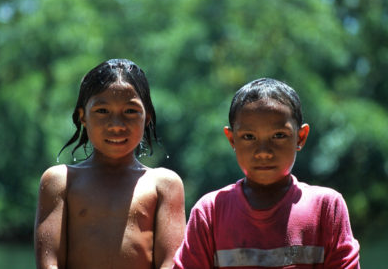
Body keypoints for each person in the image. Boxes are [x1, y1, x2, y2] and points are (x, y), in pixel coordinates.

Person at [173, 78, 360, 269]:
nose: (263, 151)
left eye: (279, 135)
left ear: (300, 137)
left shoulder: (326, 208)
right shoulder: (210, 212)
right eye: (249, 137)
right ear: (232, 140)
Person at [35, 59, 186, 269]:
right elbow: (49, 264)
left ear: (147, 118)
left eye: (130, 111)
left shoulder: (164, 184)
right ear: (83, 117)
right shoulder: (61, 182)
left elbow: (170, 264)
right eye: (102, 111)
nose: (116, 125)